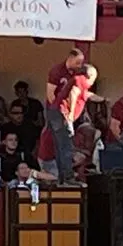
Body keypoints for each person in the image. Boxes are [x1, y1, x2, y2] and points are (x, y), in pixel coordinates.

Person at [45, 48, 86, 185]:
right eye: (78, 62)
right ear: (70, 58)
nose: (80, 65)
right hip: (57, 111)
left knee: (62, 144)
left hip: (67, 111)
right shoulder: (57, 71)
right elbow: (50, 94)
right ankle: (67, 177)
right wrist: (59, 112)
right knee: (64, 144)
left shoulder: (75, 73)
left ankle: (63, 177)